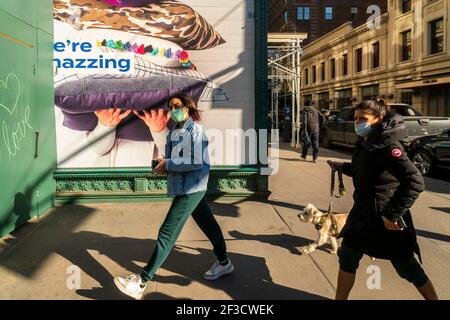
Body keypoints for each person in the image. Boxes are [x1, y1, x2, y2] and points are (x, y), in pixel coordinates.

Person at [113, 93, 234, 300]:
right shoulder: (175, 131)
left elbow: (196, 161)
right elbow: (177, 158)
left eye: (176, 106)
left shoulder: (196, 131)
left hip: (191, 188)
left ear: (187, 107)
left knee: (167, 233)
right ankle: (224, 263)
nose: (173, 110)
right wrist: (164, 161)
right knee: (209, 225)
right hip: (186, 187)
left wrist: (168, 164)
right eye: (170, 107)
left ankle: (141, 282)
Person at [328, 99, 438, 300]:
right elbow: (368, 171)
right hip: (362, 215)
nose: (357, 122)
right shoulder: (367, 141)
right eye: (356, 118)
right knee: (347, 258)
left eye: (363, 118)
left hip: (385, 220)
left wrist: (392, 214)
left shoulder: (388, 146)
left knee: (407, 268)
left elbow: (414, 182)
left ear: (379, 119)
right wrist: (342, 167)